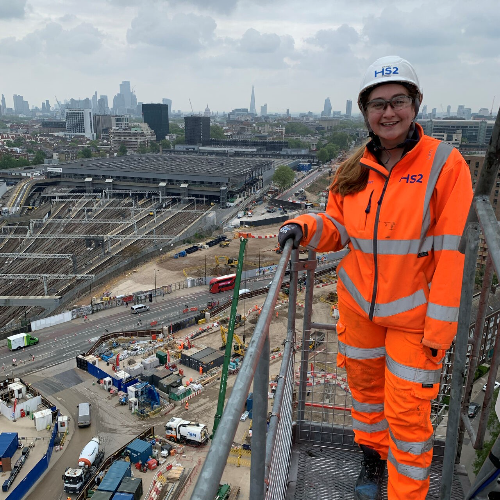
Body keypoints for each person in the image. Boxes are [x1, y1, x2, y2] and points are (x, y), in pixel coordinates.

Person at [278, 55, 473, 500]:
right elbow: (338, 229)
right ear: (366, 112)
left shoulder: (446, 164)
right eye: (378, 104)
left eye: (398, 101)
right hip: (358, 309)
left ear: (416, 103)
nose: (389, 112)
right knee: (366, 399)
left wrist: (439, 331)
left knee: (408, 419)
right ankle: (371, 457)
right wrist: (305, 226)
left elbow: (451, 255)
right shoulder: (354, 168)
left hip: (415, 320)